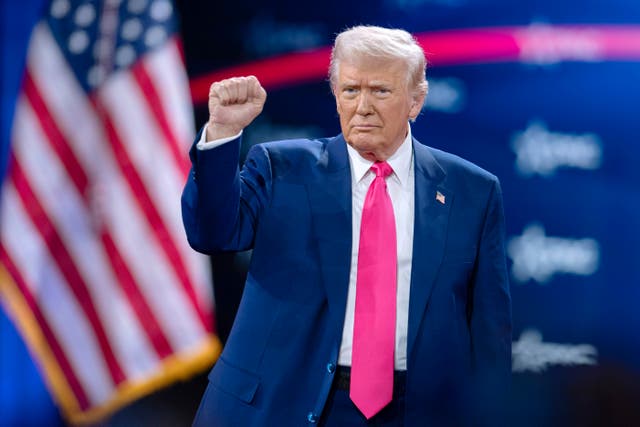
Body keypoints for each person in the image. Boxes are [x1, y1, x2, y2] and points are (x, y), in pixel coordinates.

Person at [181, 25, 511, 427]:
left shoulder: (472, 191)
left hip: (412, 411)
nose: (363, 107)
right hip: (278, 404)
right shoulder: (281, 168)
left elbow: (489, 334)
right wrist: (222, 133)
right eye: (351, 90)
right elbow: (211, 232)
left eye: (381, 91)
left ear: (416, 101)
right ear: (336, 94)